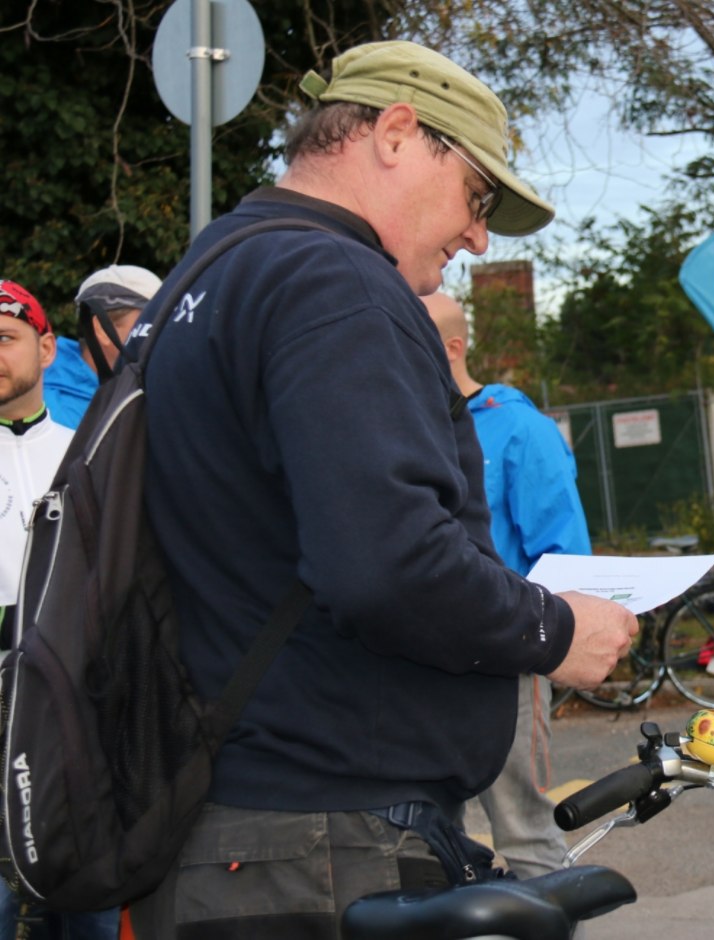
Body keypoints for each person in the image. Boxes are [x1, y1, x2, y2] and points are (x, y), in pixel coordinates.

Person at [126, 41, 637, 938]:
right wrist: (555, 629)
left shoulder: (206, 275)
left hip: (232, 822)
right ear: (396, 133)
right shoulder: (334, 281)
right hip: (317, 843)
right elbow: (386, 562)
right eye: (477, 196)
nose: (479, 236)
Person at [424, 290, 588, 882]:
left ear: (452, 346)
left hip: (505, 667)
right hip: (420, 665)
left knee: (523, 829)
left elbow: (564, 556)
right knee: (430, 837)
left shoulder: (517, 428)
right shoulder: (402, 423)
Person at [0, 280, 116, 940]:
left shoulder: (91, 454)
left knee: (86, 891)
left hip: (77, 705)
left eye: (5, 338)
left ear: (47, 349)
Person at [42, 264, 161, 429]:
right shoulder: (52, 412)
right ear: (102, 329)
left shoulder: (151, 388)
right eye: (148, 324)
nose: (161, 335)